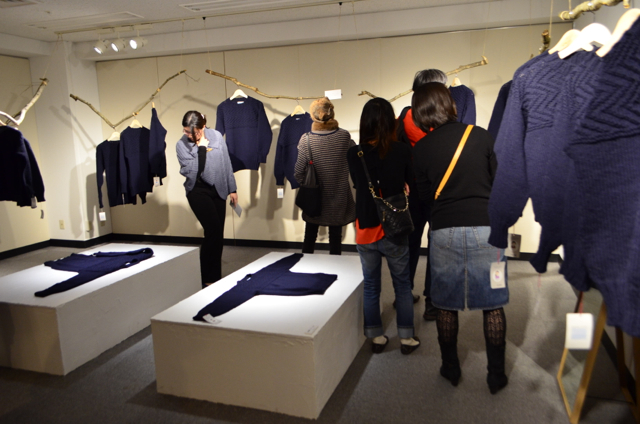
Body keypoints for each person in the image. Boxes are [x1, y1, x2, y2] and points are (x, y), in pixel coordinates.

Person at [411, 83, 509, 393]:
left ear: (419, 112)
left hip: (444, 233)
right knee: (493, 305)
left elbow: (424, 196)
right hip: (487, 232)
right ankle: (496, 375)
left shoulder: (421, 149)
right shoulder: (480, 136)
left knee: (445, 305)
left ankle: (450, 368)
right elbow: (499, 181)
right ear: (449, 104)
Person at [347, 97, 420, 355]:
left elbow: (358, 184)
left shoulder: (354, 153)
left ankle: (376, 337)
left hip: (366, 228)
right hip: (395, 227)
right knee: (402, 285)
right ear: (391, 122)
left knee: (371, 285)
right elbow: (409, 183)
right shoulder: (401, 150)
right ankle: (407, 338)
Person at [396, 69, 449, 321]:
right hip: (438, 190)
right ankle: (432, 302)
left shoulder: (405, 116)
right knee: (436, 245)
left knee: (410, 243)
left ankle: (403, 295)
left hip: (413, 190)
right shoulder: (440, 122)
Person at [176, 110, 238, 288]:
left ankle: (215, 276)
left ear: (202, 127)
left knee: (218, 235)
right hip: (197, 191)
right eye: (185, 131)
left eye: (193, 132)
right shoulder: (181, 145)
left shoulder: (216, 136)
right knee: (212, 231)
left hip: (218, 189)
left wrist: (232, 188)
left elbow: (226, 163)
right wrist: (201, 148)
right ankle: (205, 276)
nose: (188, 135)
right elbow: (193, 172)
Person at [294, 97, 355, 255]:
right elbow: (354, 156)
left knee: (310, 237)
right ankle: (335, 268)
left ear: (313, 116)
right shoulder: (344, 136)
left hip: (314, 197)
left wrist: (308, 185)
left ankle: (305, 266)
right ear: (332, 113)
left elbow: (298, 172)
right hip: (338, 196)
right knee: (335, 238)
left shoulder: (306, 139)